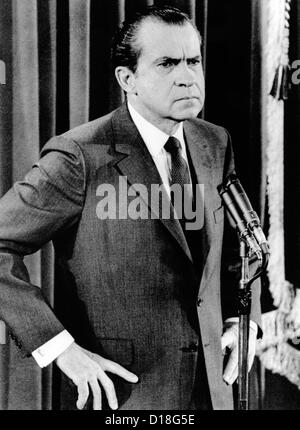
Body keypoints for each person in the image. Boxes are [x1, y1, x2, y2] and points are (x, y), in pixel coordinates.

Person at [0, 6, 261, 410]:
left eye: (193, 61)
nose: (187, 76)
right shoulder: (79, 156)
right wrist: (61, 349)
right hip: (127, 397)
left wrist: (243, 325)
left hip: (214, 390)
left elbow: (239, 243)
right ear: (128, 79)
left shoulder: (214, 142)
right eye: (167, 63)